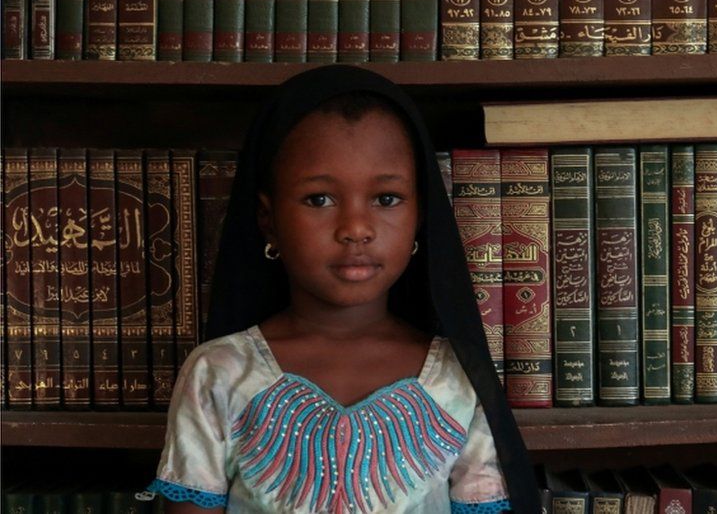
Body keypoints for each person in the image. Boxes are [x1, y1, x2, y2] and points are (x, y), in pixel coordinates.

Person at [145, 66, 539, 513]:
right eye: (319, 200)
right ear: (267, 220)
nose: (355, 229)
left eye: (386, 199)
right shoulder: (219, 374)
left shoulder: (456, 379)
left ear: (422, 216)